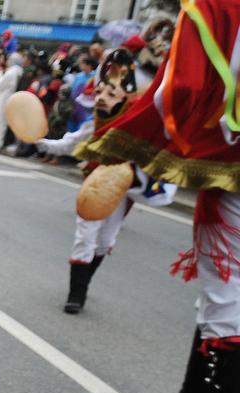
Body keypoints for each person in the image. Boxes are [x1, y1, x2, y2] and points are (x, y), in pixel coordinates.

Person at [78, 0, 240, 393]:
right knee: (222, 303)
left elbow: (182, 89)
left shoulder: (216, 7)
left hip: (232, 168)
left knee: (225, 304)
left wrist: (123, 135)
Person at [37, 49, 176, 314]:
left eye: (111, 94)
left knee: (105, 241)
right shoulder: (95, 123)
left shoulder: (137, 127)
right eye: (100, 92)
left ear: (126, 96)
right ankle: (76, 293)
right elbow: (70, 142)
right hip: (94, 185)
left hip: (122, 191)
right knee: (86, 235)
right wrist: (41, 143)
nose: (102, 98)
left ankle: (85, 281)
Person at [0, 52, 22, 149]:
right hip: (8, 98)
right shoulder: (18, 71)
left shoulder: (11, 72)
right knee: (0, 120)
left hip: (4, 99)